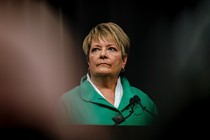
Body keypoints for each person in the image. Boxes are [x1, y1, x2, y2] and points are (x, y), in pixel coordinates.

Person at [58, 22, 158, 126]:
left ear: (124, 60)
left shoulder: (144, 102)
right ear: (88, 60)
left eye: (111, 49)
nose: (102, 54)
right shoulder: (67, 104)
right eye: (96, 49)